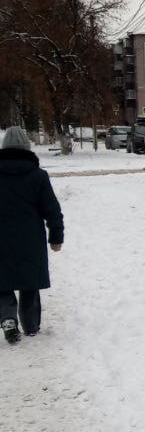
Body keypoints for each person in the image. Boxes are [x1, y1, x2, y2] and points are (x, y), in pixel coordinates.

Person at [0, 127, 64, 344]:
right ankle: (31, 326)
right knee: (30, 283)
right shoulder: (38, 176)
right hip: (30, 240)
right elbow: (52, 209)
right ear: (27, 148)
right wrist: (56, 235)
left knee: (2, 282)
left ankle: (8, 317)